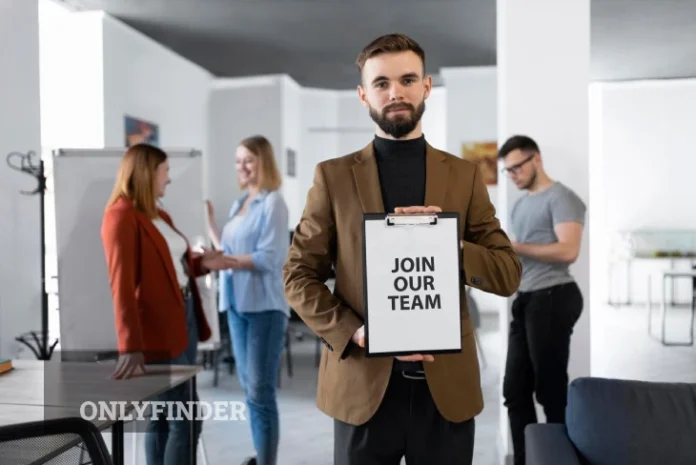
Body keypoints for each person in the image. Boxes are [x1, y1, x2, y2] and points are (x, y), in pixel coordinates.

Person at [282, 33, 522, 465]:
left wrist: (449, 243)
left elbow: (507, 273)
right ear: (363, 94)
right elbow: (298, 276)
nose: (396, 92)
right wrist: (355, 331)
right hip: (362, 385)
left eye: (408, 79)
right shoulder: (332, 178)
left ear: (426, 86)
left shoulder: (465, 176)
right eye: (381, 83)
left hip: (445, 390)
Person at [101, 143, 237, 465]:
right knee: (186, 417)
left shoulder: (158, 215)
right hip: (157, 332)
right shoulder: (120, 217)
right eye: (166, 172)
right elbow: (121, 285)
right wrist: (130, 346)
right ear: (147, 173)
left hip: (184, 318)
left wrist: (203, 264)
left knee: (164, 414)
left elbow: (173, 266)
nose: (169, 179)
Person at [498, 135, 586, 465]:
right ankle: (526, 460)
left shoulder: (562, 198)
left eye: (517, 167)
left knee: (550, 392)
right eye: (508, 171)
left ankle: (559, 460)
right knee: (514, 392)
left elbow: (568, 250)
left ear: (536, 159)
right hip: (527, 300)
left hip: (554, 296)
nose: (513, 175)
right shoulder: (520, 205)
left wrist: (515, 246)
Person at [205, 135, 289, 465]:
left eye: (248, 160)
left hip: (264, 307)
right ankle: (260, 454)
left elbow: (269, 258)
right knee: (249, 389)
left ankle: (267, 461)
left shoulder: (273, 203)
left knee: (260, 390)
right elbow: (228, 250)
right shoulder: (239, 203)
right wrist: (212, 224)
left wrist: (223, 262)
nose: (241, 166)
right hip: (237, 304)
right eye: (238, 160)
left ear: (263, 162)